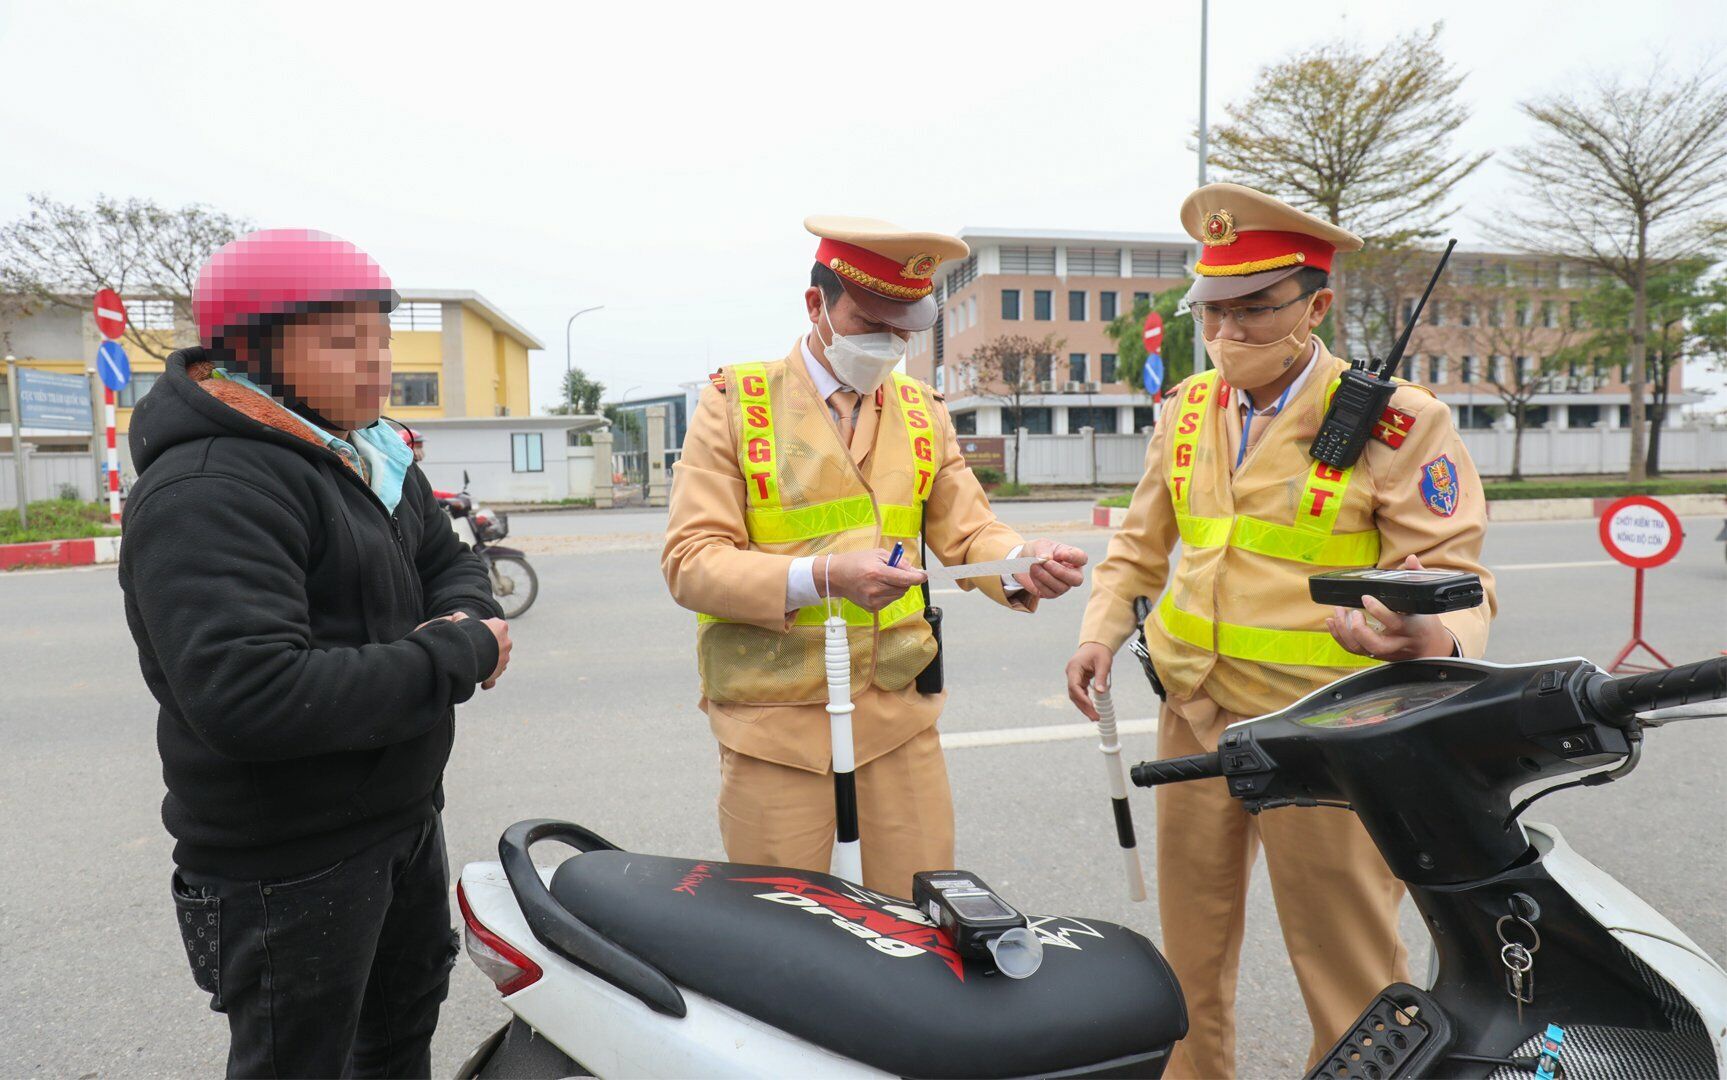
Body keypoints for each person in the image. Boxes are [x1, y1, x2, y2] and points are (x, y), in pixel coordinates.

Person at [1064, 184, 1496, 1078]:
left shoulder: (1398, 421)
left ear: (1315, 305)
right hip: (1193, 713)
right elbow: (1140, 545)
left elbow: (1457, 574)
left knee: (1347, 968)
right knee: (1187, 953)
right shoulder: (1187, 408)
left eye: (1256, 309)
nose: (1229, 332)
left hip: (1326, 735)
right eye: (1212, 310)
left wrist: (1432, 639)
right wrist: (1099, 630)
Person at [117, 229, 512, 1078]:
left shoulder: (369, 453)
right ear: (250, 352)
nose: (375, 364)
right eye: (341, 343)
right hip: (286, 862)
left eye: (381, 340)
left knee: (399, 1037)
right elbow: (252, 695)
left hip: (401, 819)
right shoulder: (212, 486)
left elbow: (449, 563)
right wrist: (457, 653)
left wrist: (462, 618)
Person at [664, 215, 1089, 897]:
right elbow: (691, 562)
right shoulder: (735, 405)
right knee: (785, 933)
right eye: (869, 323)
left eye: (902, 330)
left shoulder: (923, 411)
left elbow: (969, 531)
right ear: (815, 305)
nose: (887, 344)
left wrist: (1021, 558)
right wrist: (823, 577)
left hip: (897, 722)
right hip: (774, 726)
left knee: (919, 921)